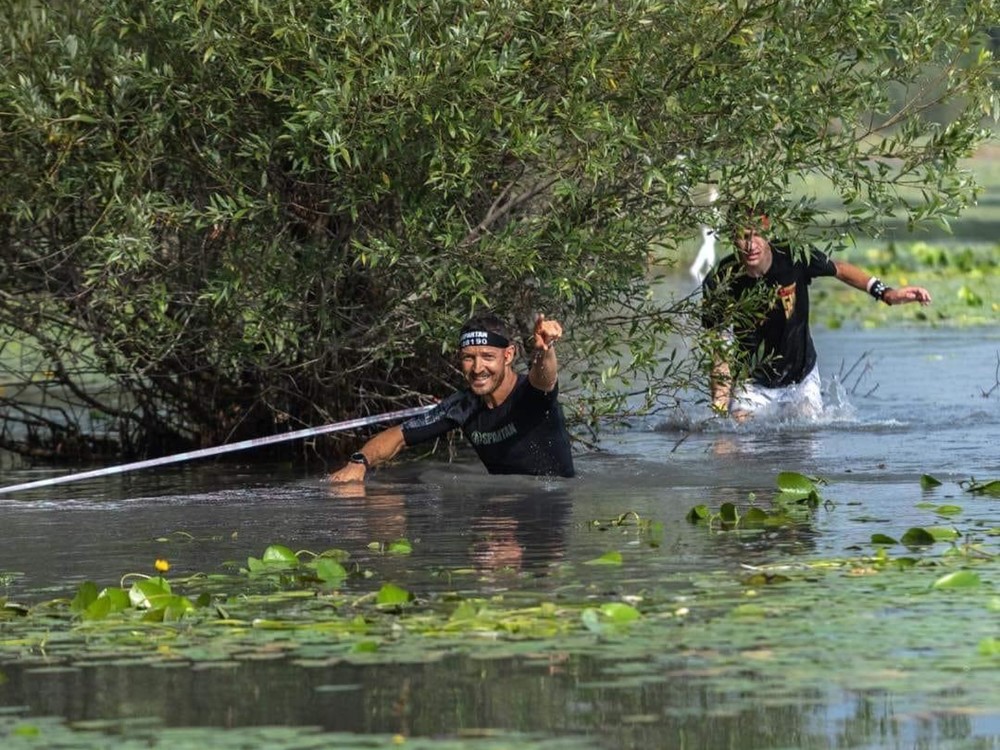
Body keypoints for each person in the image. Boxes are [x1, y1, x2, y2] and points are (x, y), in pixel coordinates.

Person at [701, 210, 932, 420]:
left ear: (768, 231)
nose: (751, 245)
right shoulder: (721, 280)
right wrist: (719, 409)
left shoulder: (793, 255)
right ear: (732, 238)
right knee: (735, 434)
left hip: (800, 378)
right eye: (743, 236)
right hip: (753, 382)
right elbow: (721, 350)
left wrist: (887, 294)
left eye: (756, 235)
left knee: (806, 433)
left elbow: (839, 269)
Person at [328, 312, 575, 480]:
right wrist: (358, 462)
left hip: (551, 506)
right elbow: (399, 436)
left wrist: (546, 350)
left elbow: (545, 378)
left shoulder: (531, 395)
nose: (478, 368)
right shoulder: (462, 406)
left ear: (508, 356)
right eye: (469, 358)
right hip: (505, 509)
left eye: (488, 357)